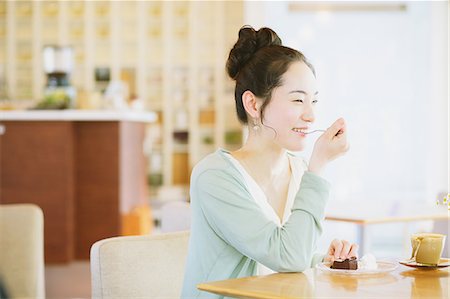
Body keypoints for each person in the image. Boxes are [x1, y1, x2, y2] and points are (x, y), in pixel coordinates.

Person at [181, 25, 357, 298]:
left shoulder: (298, 170)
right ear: (253, 105)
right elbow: (287, 256)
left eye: (314, 101)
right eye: (298, 100)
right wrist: (319, 166)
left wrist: (324, 261)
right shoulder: (214, 176)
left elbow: (291, 257)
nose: (311, 115)